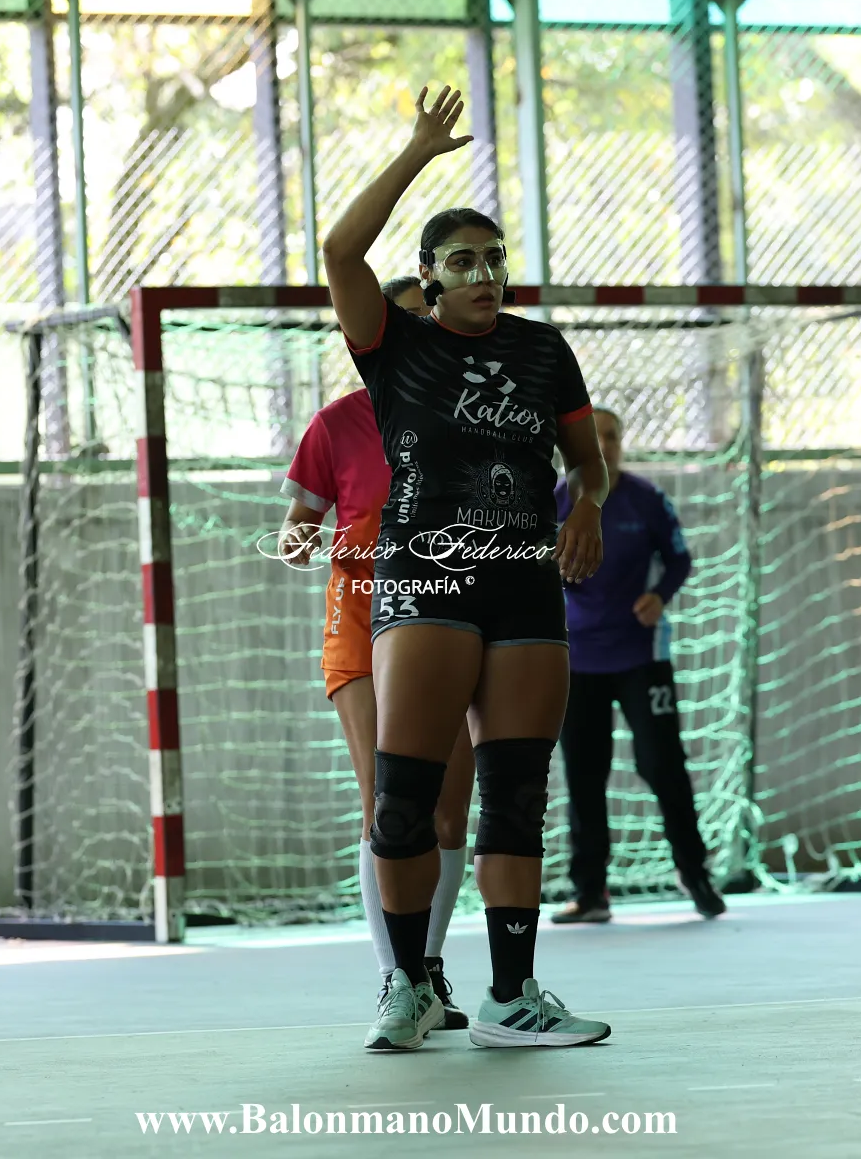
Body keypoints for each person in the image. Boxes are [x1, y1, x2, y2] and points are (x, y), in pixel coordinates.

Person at [320, 84, 613, 1050]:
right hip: (426, 582)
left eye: (495, 258)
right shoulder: (395, 346)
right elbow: (339, 252)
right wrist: (416, 152)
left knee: (518, 795)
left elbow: (587, 460)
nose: (485, 274)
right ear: (430, 277)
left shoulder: (543, 350)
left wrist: (589, 505)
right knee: (405, 799)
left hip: (523, 580)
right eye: (463, 261)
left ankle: (512, 998)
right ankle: (407, 986)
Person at [278, 275, 476, 1041]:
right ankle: (400, 978)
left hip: (452, 615)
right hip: (363, 622)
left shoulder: (480, 419)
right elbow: (301, 520)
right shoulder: (337, 424)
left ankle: (428, 967)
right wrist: (300, 539)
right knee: (388, 805)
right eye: (406, 326)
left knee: (449, 811)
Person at [552, 407, 726, 925]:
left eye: (612, 436)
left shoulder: (647, 500)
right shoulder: (552, 502)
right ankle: (590, 892)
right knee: (584, 772)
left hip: (640, 657)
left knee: (662, 764)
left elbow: (679, 559)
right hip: (576, 658)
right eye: (594, 437)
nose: (604, 445)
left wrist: (660, 595)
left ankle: (695, 873)